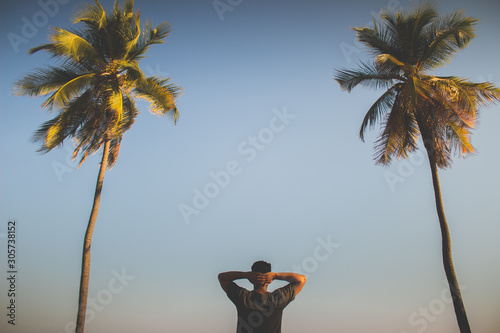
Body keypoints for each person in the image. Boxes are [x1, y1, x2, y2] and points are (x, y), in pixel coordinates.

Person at [218, 261, 306, 333]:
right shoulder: (278, 299)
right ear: (269, 280)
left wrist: (246, 275)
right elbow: (301, 280)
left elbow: (222, 277)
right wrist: (275, 275)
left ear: (252, 279)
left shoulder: (242, 297)